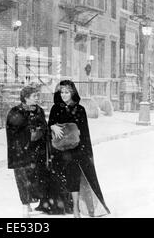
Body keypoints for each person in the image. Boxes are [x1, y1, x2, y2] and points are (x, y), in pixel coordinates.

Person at [47, 80, 110, 218]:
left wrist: (83, 150)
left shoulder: (79, 109)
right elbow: (50, 124)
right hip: (59, 150)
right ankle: (66, 205)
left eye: (67, 92)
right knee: (62, 178)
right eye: (62, 92)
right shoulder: (55, 108)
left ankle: (76, 207)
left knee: (75, 177)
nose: (64, 95)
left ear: (72, 93)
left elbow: (84, 131)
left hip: (75, 149)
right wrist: (52, 126)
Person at [6, 85, 50, 217]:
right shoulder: (15, 112)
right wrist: (29, 133)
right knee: (22, 179)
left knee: (35, 179)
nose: (37, 98)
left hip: (36, 151)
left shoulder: (39, 110)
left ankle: (35, 202)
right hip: (20, 152)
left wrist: (39, 131)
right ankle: (26, 205)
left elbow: (44, 126)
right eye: (34, 96)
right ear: (26, 98)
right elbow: (12, 132)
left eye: (37, 95)